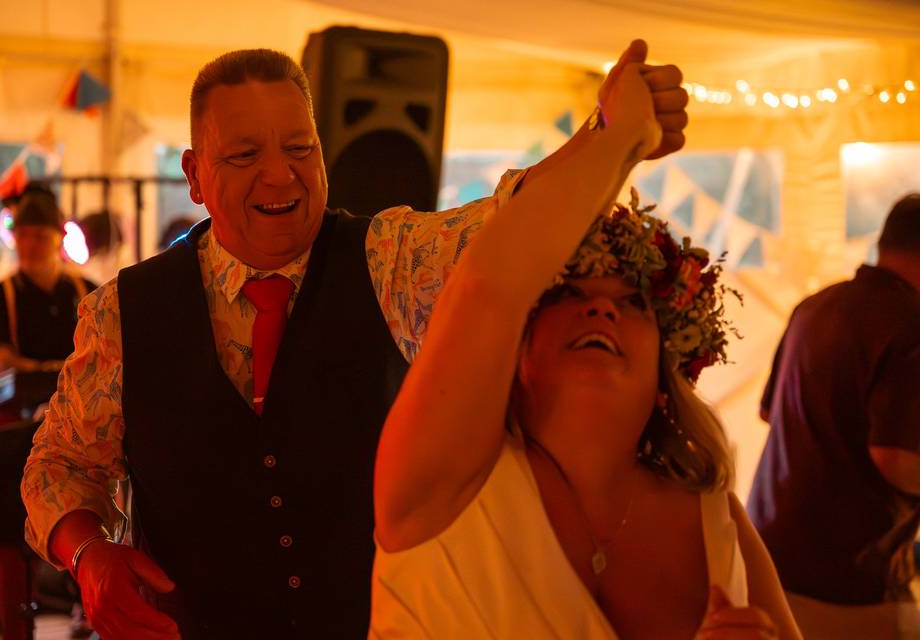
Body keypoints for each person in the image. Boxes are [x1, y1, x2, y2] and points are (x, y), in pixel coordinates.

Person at [21, 41, 689, 639]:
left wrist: (610, 139)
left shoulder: (390, 259)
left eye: (300, 148)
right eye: (246, 155)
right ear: (194, 176)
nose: (281, 176)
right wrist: (87, 555)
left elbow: (507, 224)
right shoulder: (121, 314)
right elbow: (60, 465)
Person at [369, 58, 800, 638]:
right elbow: (485, 286)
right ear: (514, 340)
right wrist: (618, 137)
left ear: (667, 364)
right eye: (569, 292)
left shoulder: (715, 516)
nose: (601, 309)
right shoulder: (440, 482)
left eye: (633, 302)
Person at [747, 193, 920, 638]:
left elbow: (770, 413)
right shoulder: (909, 323)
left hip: (768, 563)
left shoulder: (815, 305)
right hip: (849, 584)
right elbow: (896, 460)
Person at [0, 186, 95, 639]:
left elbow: (105, 361)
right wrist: (60, 369)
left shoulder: (90, 292)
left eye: (39, 235)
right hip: (14, 428)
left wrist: (46, 371)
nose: (29, 245)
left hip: (80, 426)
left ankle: (91, 604)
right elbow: (2, 365)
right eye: (22, 235)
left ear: (57, 237)